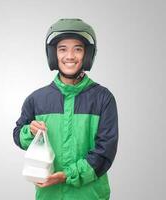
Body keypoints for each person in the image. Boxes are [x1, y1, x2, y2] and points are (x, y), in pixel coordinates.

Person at [13, 18, 118, 200]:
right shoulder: (36, 99)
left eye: (77, 49)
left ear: (87, 55)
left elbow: (105, 153)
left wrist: (65, 175)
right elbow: (18, 136)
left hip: (90, 196)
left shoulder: (103, 98)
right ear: (53, 55)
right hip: (49, 196)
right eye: (62, 49)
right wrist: (30, 131)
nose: (70, 56)